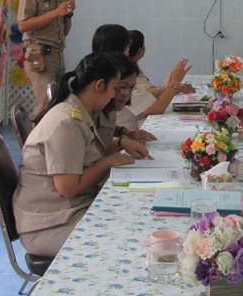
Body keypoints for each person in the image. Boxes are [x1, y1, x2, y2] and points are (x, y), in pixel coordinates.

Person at [13, 53, 151, 258]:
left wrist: (118, 144)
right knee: (131, 241)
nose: (114, 96)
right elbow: (68, 187)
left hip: (68, 210)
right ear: (99, 85)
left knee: (138, 216)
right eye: (114, 88)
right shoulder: (67, 122)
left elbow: (85, 157)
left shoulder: (78, 113)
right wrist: (107, 162)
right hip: (48, 225)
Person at [17, 0, 76, 121]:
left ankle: (52, 137)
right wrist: (55, 13)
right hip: (41, 53)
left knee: (58, 103)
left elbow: (65, 31)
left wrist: (68, 14)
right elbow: (23, 25)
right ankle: (37, 138)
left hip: (58, 53)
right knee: (44, 104)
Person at [126, 29, 196, 119]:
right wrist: (175, 83)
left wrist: (167, 87)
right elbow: (156, 108)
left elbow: (146, 95)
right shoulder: (125, 74)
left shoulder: (130, 67)